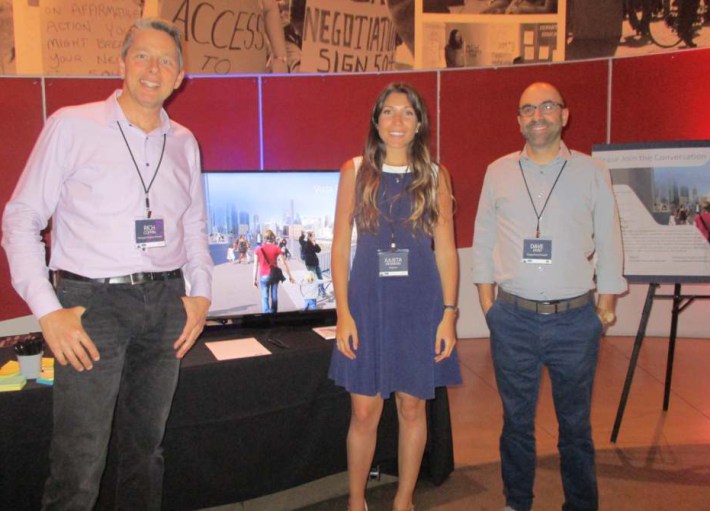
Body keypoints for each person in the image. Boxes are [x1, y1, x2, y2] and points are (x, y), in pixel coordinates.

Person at [1, 18, 213, 510]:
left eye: (166, 61)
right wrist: (47, 309)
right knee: (79, 463)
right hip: (91, 305)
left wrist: (201, 295)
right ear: (121, 63)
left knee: (146, 453)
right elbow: (21, 218)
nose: (153, 69)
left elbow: (196, 229)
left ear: (180, 77)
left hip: (165, 304)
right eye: (142, 56)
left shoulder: (184, 142)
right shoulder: (72, 125)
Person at [471, 82, 627, 511]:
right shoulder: (497, 171)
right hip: (513, 320)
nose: (537, 115)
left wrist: (605, 310)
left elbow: (611, 243)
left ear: (564, 114)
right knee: (516, 424)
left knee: (575, 427)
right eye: (527, 109)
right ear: (518, 120)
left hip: (575, 322)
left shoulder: (592, 172)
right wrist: (489, 307)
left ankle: (580, 505)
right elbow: (483, 240)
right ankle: (516, 503)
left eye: (546, 106)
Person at [329, 82, 461, 511]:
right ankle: (356, 500)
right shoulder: (354, 170)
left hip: (419, 307)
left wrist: (449, 316)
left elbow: (445, 250)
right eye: (388, 112)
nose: (397, 121)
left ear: (419, 122)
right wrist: (343, 314)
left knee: (411, 408)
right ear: (376, 120)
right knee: (364, 412)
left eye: (407, 112)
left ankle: (404, 499)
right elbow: (337, 245)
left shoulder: (436, 176)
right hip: (367, 307)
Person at [252, 229, 295, 313]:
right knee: (274, 296)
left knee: (265, 297)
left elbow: (255, 265)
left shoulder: (258, 249)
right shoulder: (277, 248)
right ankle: (274, 314)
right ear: (272, 237)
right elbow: (284, 263)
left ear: (264, 238)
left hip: (264, 276)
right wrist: (290, 276)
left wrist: (254, 280)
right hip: (274, 275)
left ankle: (266, 314)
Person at [299, 231, 326, 297]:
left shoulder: (313, 244)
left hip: (316, 264)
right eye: (312, 236)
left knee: (320, 278)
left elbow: (319, 250)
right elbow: (300, 240)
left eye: (314, 236)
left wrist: (315, 243)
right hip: (310, 265)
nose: (314, 237)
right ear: (309, 237)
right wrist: (303, 235)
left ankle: (322, 291)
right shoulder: (305, 243)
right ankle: (314, 293)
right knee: (314, 279)